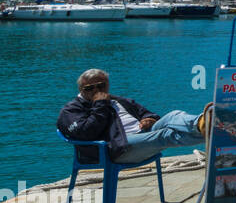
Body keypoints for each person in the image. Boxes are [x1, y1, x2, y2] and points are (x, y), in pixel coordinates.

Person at [57, 69, 211, 164]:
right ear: (81, 89)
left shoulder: (119, 100)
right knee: (165, 135)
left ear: (108, 84)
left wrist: (149, 119)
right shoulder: (71, 110)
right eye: (90, 88)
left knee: (173, 115)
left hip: (142, 137)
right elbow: (86, 132)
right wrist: (100, 105)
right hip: (115, 149)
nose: (97, 90)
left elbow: (147, 113)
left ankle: (204, 122)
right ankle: (215, 133)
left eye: (101, 86)